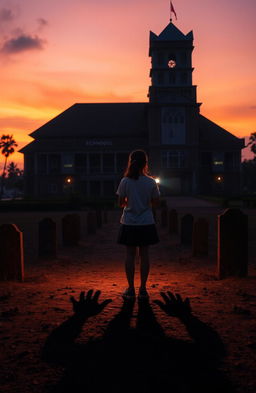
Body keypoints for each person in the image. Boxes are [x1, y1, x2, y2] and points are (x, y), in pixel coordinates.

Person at [116, 149, 160, 300]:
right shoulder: (151, 182)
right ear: (145, 164)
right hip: (146, 222)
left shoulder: (125, 181)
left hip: (129, 222)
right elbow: (156, 202)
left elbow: (120, 203)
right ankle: (143, 289)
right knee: (145, 255)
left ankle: (130, 288)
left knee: (130, 255)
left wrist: (130, 201)